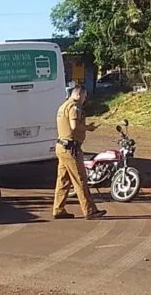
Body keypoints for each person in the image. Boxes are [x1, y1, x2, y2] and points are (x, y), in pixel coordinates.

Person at [53, 85, 107, 220]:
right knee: (80, 179)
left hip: (62, 147)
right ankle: (89, 211)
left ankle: (58, 209)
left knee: (63, 180)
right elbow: (74, 126)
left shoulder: (63, 106)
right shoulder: (74, 107)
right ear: (78, 95)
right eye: (84, 96)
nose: (85, 99)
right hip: (71, 149)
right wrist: (88, 127)